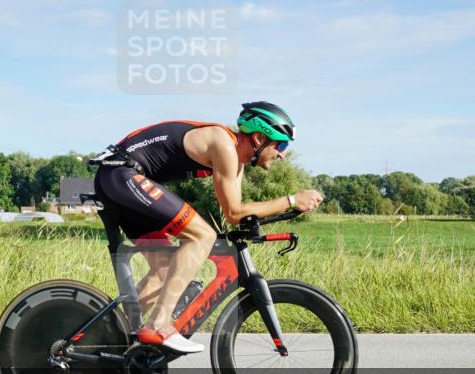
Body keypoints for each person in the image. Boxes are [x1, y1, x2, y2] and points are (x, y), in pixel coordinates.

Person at [91, 102, 324, 354]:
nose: (282, 154)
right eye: (281, 145)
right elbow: (235, 212)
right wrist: (290, 201)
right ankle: (159, 325)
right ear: (258, 137)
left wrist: (282, 211)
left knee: (166, 270)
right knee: (202, 236)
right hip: (122, 175)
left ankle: (107, 334)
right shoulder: (223, 143)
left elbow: (235, 214)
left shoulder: (237, 161)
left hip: (124, 180)